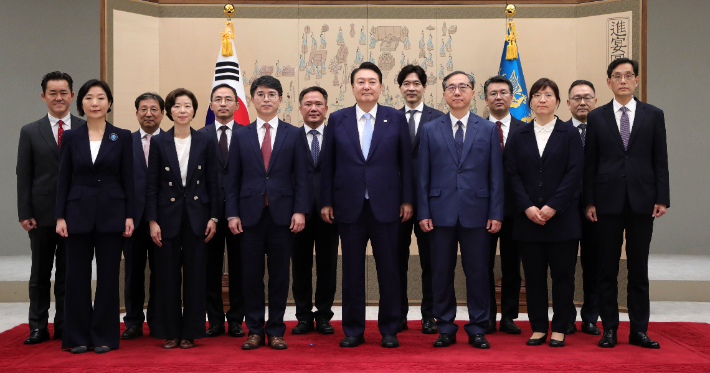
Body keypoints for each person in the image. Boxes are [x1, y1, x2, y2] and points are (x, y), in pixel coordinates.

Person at [320, 62, 413, 348]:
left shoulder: (395, 119)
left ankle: (389, 329)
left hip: (387, 205)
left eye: (372, 82)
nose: (366, 86)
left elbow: (406, 164)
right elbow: (328, 165)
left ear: (381, 87)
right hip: (349, 206)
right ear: (352, 87)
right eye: (361, 82)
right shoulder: (337, 119)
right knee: (352, 271)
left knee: (389, 269)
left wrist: (407, 199)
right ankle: (353, 330)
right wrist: (326, 201)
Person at [584, 58, 668, 349]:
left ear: (636, 81)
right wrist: (589, 200)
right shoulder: (596, 117)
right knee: (606, 267)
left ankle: (639, 331)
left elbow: (660, 160)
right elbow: (590, 163)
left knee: (638, 268)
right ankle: (609, 329)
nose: (622, 80)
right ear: (608, 82)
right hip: (606, 202)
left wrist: (662, 197)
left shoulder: (653, 114)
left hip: (643, 201)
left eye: (628, 75)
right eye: (616, 76)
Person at [417, 71, 503, 349]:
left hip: (477, 212)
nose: (457, 92)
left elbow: (496, 176)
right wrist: (423, 211)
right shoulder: (430, 129)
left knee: (477, 272)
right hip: (439, 212)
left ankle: (478, 327)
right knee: (441, 272)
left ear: (472, 93)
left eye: (463, 87)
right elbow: (423, 176)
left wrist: (496, 212)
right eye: (451, 87)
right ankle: (445, 327)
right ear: (443, 94)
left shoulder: (488, 129)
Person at [226, 76, 309, 350]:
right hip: (249, 216)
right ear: (251, 99)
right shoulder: (240, 134)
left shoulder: (294, 133)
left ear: (281, 99)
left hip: (282, 216)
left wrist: (299, 210)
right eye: (260, 94)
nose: (266, 99)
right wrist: (232, 213)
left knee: (279, 276)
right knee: (250, 276)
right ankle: (254, 331)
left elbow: (301, 178)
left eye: (272, 94)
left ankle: (275, 330)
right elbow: (233, 179)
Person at [55, 79, 134, 354]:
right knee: (76, 276)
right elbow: (63, 178)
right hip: (77, 213)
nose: (95, 103)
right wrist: (60, 215)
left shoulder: (122, 136)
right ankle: (76, 336)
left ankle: (104, 336)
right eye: (89, 98)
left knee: (109, 277)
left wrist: (129, 215)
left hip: (113, 213)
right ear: (82, 104)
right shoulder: (72, 137)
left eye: (101, 98)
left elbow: (128, 178)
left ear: (109, 103)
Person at [505, 78, 583, 347]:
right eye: (536, 95)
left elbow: (574, 174)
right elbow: (512, 175)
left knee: (563, 276)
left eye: (548, 95)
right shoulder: (519, 135)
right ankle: (538, 327)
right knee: (534, 278)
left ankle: (560, 327)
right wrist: (527, 206)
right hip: (528, 221)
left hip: (562, 220)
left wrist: (552, 206)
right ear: (529, 103)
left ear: (558, 101)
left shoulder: (569, 133)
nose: (542, 100)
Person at [145, 88, 219, 350]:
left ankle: (191, 332)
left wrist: (214, 217)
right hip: (167, 219)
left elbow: (213, 181)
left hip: (198, 218)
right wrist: (152, 221)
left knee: (196, 277)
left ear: (194, 111)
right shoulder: (159, 142)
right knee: (167, 277)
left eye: (188, 106)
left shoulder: (205, 140)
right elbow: (152, 185)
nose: (183, 110)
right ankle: (171, 331)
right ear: (169, 112)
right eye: (177, 106)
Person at [17, 71, 85, 345]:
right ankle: (38, 326)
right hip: (41, 213)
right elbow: (24, 173)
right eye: (53, 93)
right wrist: (25, 212)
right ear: (44, 96)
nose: (59, 97)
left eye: (64, 92)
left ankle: (65, 324)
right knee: (40, 274)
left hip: (75, 214)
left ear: (72, 95)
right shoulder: (30, 131)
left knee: (69, 274)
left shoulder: (84, 128)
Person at [395, 65, 444, 334]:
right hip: (395, 204)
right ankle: (399, 314)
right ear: (399, 88)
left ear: (424, 87)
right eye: (406, 83)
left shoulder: (439, 119)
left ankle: (430, 315)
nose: (411, 88)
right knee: (396, 261)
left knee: (431, 262)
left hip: (431, 203)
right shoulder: (389, 118)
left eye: (416, 83)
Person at [198, 84, 245, 339]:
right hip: (209, 215)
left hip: (241, 213)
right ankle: (214, 320)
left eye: (229, 99)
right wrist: (210, 214)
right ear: (211, 105)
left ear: (238, 105)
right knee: (210, 268)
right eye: (218, 99)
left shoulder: (248, 134)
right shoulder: (200, 136)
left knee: (240, 268)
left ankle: (237, 320)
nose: (223, 103)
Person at [290, 86, 339, 336]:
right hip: (298, 214)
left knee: (327, 266)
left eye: (318, 104)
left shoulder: (337, 137)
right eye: (308, 104)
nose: (313, 108)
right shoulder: (290, 137)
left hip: (330, 213)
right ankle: (303, 316)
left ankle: (323, 315)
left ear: (326, 109)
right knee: (300, 266)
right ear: (300, 109)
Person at [482, 75, 527, 335]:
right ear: (485, 99)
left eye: (503, 92)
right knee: (482, 265)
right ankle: (487, 315)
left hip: (515, 210)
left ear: (513, 97)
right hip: (482, 209)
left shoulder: (525, 129)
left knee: (512, 265)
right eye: (493, 93)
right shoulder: (475, 127)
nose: (498, 97)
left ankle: (509, 316)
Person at [121, 93, 163, 341]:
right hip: (133, 221)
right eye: (143, 109)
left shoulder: (171, 140)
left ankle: (158, 321)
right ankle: (134, 322)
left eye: (154, 109)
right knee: (133, 273)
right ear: (136, 113)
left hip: (163, 221)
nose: (149, 113)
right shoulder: (126, 142)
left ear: (162, 113)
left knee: (162, 273)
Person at [563, 80, 601, 336]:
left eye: (587, 97)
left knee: (594, 265)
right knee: (563, 267)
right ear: (567, 103)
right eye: (577, 98)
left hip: (596, 209)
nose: (582, 102)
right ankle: (565, 317)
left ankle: (590, 317)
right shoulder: (559, 131)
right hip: (564, 209)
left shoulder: (605, 130)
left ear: (595, 101)